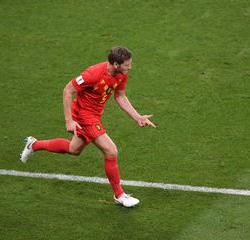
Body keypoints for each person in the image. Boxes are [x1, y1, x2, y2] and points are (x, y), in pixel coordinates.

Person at [20, 46, 156, 207]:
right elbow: (67, 91)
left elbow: (120, 96)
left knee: (74, 150)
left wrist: (137, 117)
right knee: (111, 151)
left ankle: (34, 144)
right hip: (84, 116)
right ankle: (120, 195)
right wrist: (69, 121)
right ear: (116, 64)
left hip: (94, 115)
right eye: (127, 64)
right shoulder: (93, 74)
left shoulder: (121, 75)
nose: (130, 67)